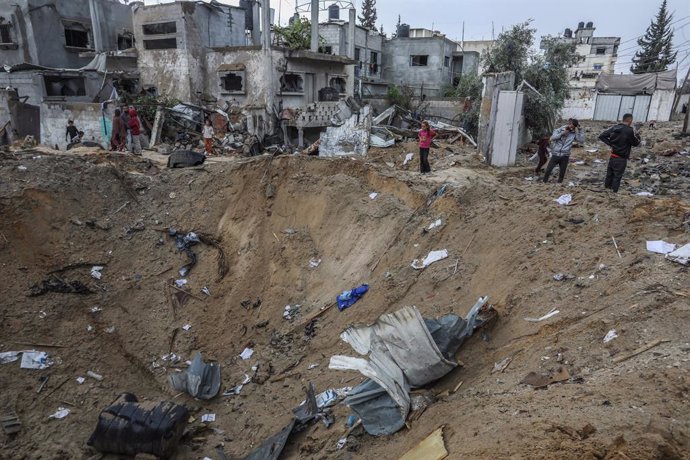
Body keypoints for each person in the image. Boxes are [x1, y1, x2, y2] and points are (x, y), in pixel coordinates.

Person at [599, 113, 641, 193]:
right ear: (630, 120)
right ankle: (613, 195)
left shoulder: (615, 127)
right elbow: (636, 143)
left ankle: (605, 192)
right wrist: (638, 136)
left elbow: (602, 136)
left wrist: (611, 144)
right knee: (617, 177)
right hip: (621, 159)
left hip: (612, 157)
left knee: (609, 175)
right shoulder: (629, 130)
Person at [543, 118, 584, 183]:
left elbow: (581, 141)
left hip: (565, 156)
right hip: (555, 154)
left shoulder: (574, 133)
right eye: (570, 126)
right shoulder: (560, 130)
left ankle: (559, 185)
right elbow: (552, 138)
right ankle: (544, 183)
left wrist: (580, 130)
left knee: (562, 173)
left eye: (573, 127)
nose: (571, 128)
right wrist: (562, 133)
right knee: (548, 170)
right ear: (568, 123)